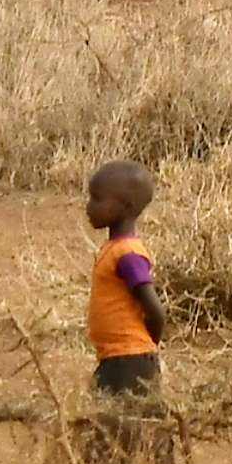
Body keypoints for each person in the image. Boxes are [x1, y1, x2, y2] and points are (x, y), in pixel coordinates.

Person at [85, 160, 166, 397]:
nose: (89, 207)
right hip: (116, 356)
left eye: (97, 199)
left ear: (125, 206)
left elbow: (156, 311)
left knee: (126, 425)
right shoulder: (116, 250)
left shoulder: (127, 254)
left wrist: (146, 346)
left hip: (129, 360)